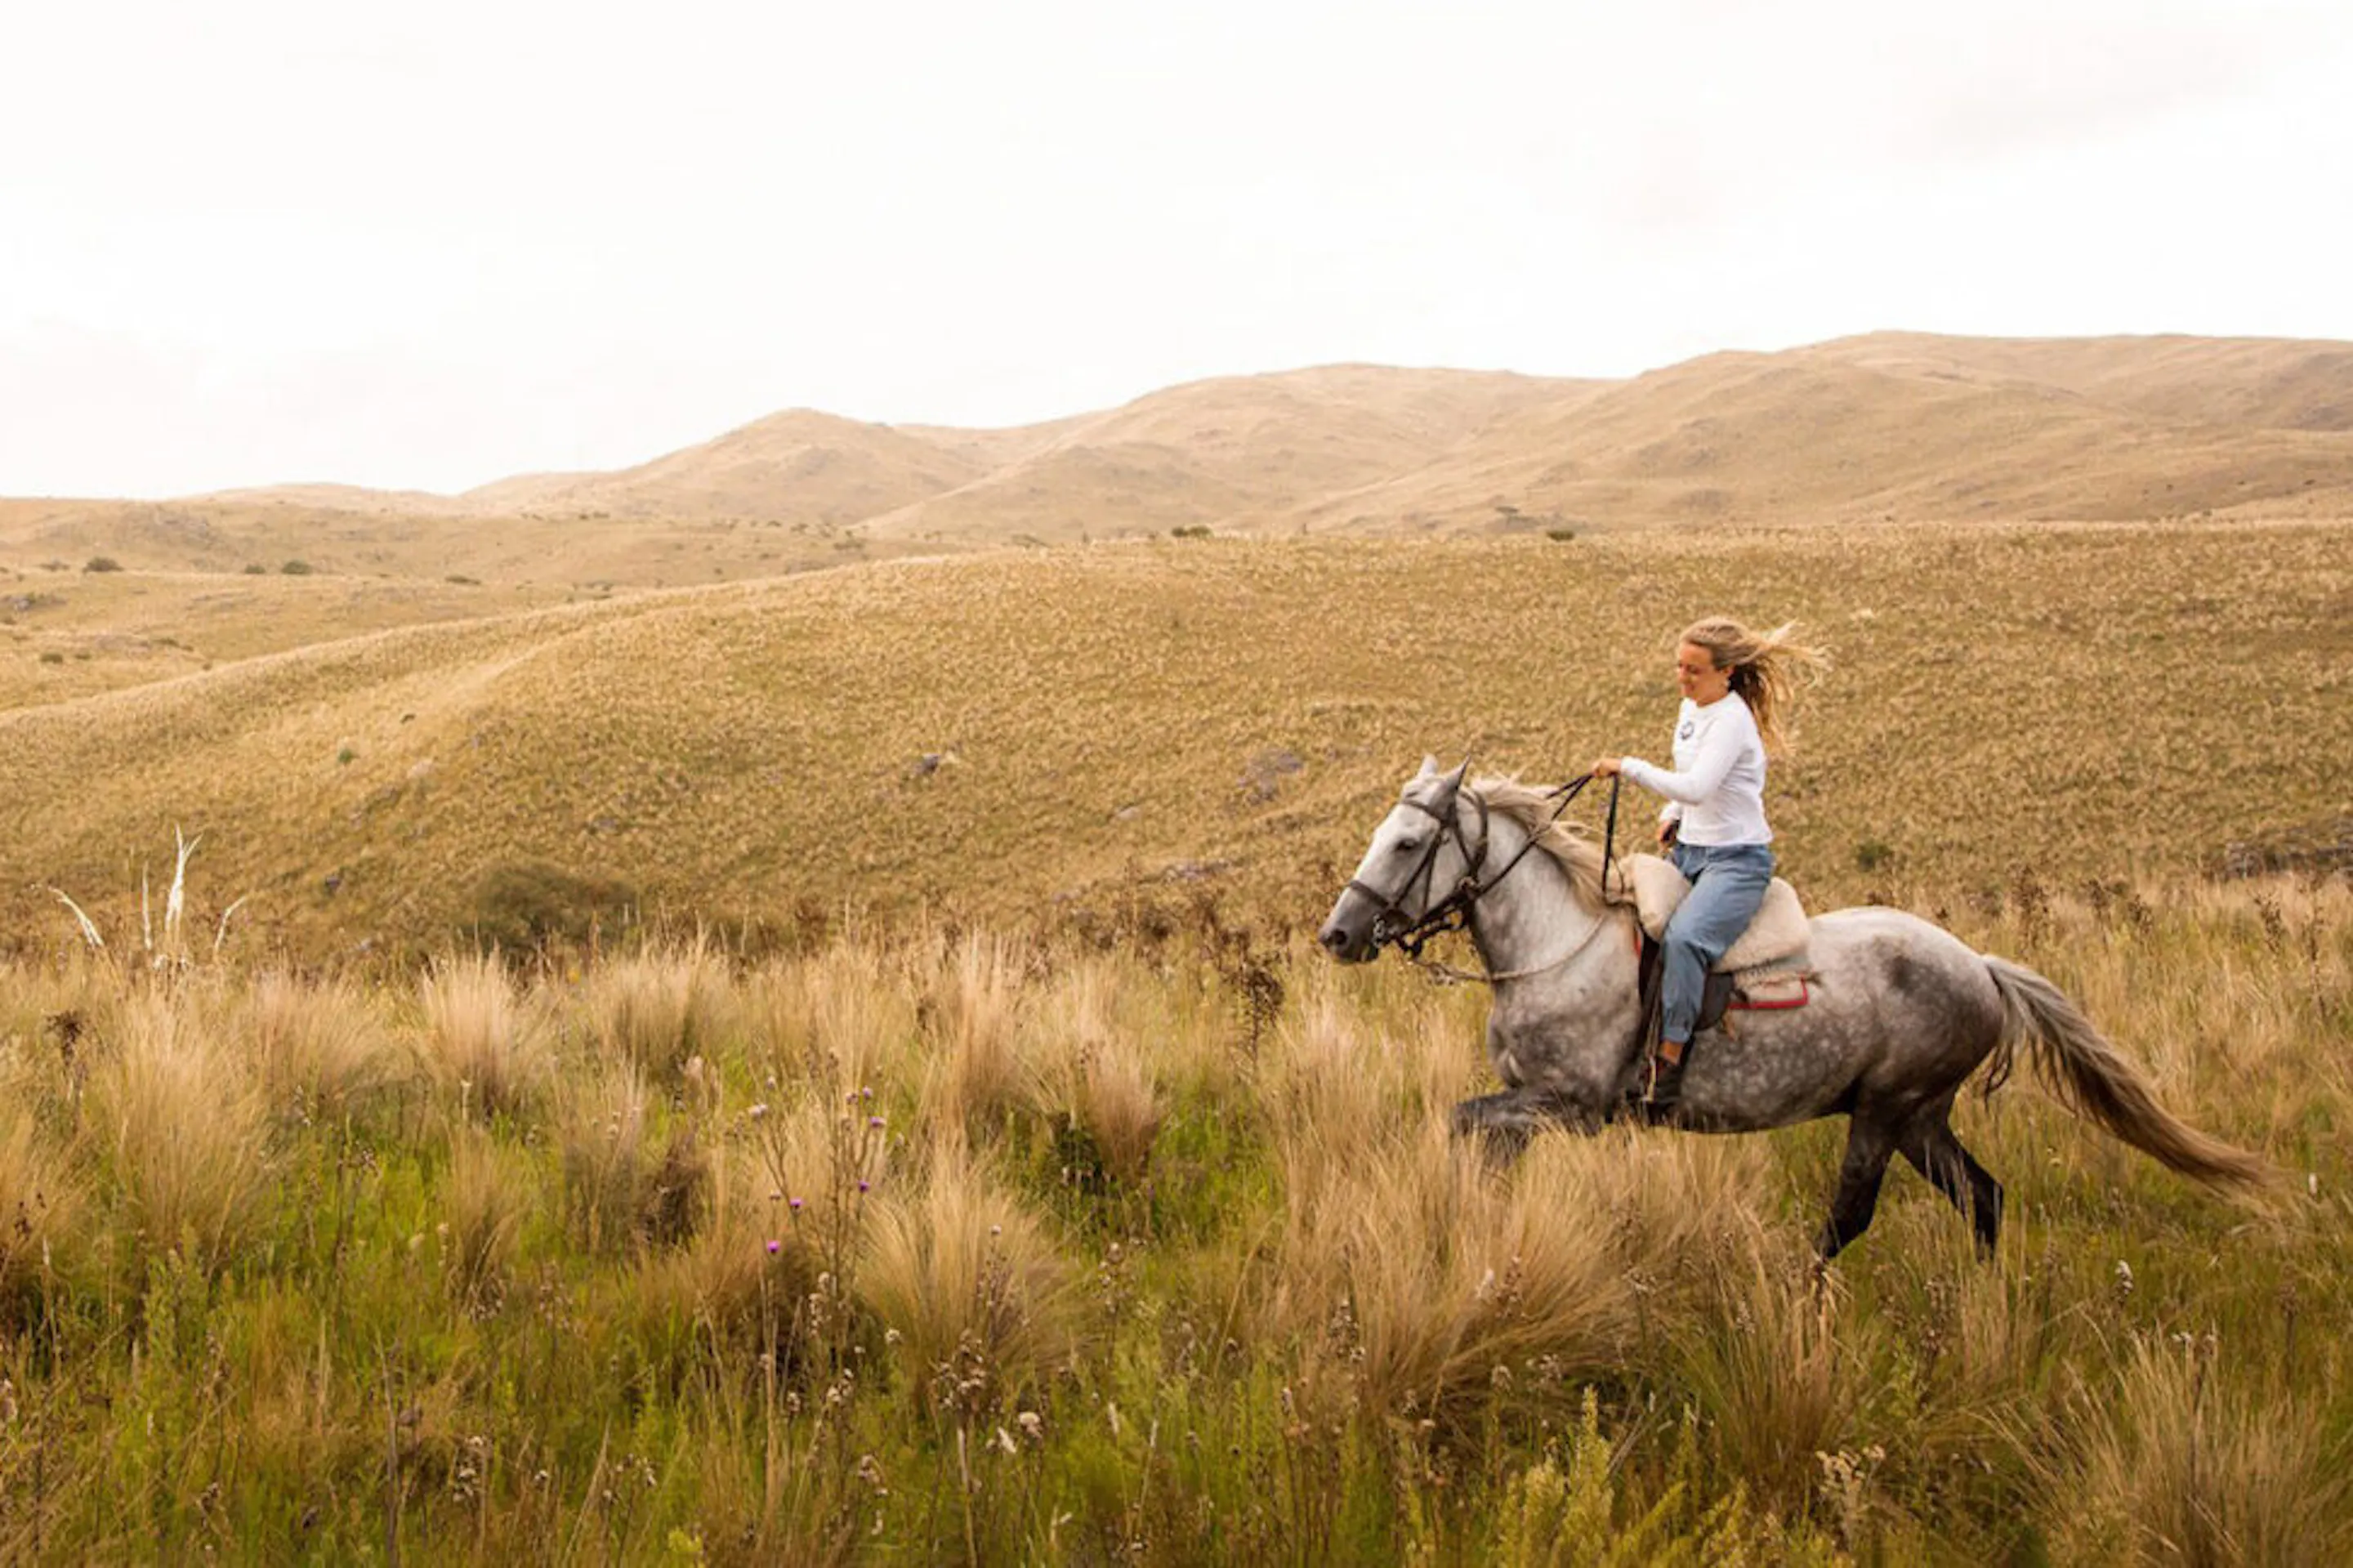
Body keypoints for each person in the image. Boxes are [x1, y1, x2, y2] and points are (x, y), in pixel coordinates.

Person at [1593, 617, 1828, 1110]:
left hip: (1737, 862)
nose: (1683, 678)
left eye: (1694, 670)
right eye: (1680, 666)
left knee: (1685, 939)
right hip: (1691, 851)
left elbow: (1700, 785)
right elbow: (1693, 783)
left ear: (1726, 673)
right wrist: (1673, 813)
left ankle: (1672, 1061)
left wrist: (1629, 767)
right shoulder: (1692, 708)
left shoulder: (1731, 721)